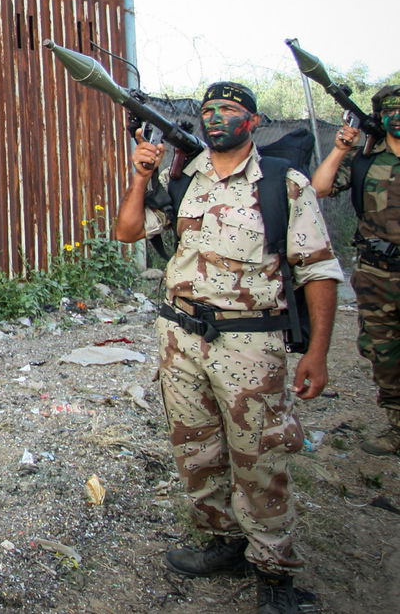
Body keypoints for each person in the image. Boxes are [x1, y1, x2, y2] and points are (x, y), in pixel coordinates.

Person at [112, 82, 343, 614]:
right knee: (196, 449)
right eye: (208, 110)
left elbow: (318, 269)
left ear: (254, 121)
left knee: (259, 455)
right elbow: (128, 231)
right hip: (181, 335)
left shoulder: (282, 184)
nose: (216, 117)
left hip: (250, 342)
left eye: (229, 110)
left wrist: (318, 353)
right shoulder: (185, 179)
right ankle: (223, 542)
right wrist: (141, 175)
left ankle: (274, 571)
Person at [310, 84, 400, 456]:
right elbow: (318, 188)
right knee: (385, 351)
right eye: (393, 110)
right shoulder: (364, 159)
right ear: (382, 116)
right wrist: (341, 150)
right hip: (378, 274)